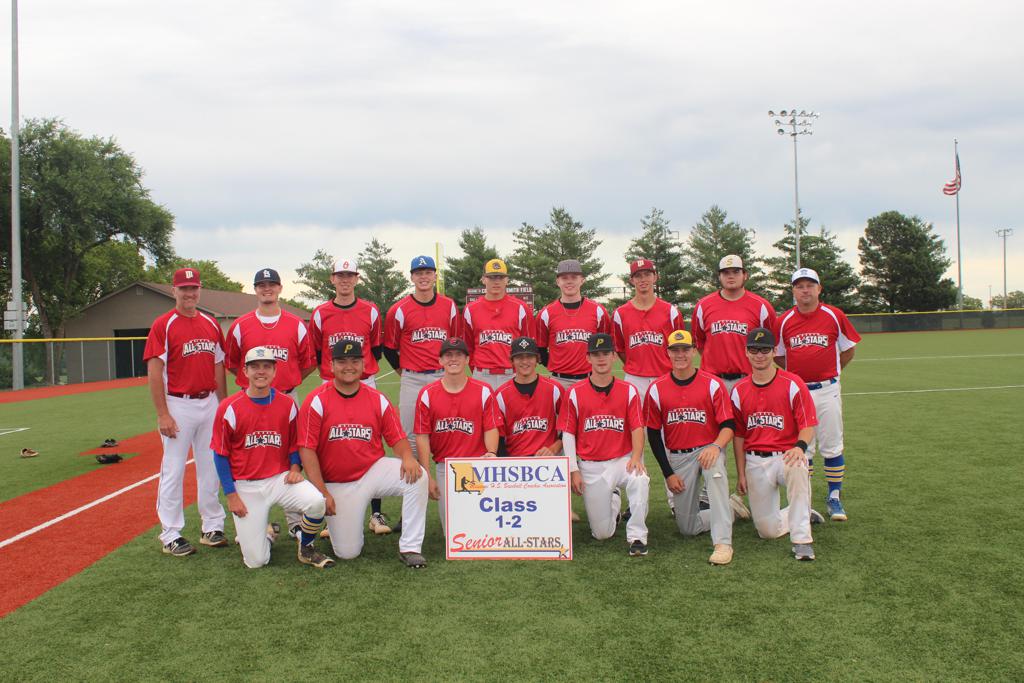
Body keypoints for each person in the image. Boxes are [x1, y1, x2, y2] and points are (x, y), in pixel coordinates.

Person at [297, 340, 429, 568]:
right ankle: (308, 531)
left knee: (419, 477)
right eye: (342, 361)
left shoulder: (376, 398)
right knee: (348, 553)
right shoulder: (317, 400)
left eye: (355, 360)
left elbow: (396, 437)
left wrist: (407, 457)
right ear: (331, 365)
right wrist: (322, 492)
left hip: (372, 471)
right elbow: (307, 450)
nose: (349, 366)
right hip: (336, 482)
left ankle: (410, 547)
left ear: (363, 364)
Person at [211, 347, 332, 569]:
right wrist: (231, 495)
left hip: (280, 479)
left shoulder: (287, 404)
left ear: (275, 371)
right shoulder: (229, 407)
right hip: (246, 486)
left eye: (266, 366)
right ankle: (266, 534)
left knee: (316, 503)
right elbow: (220, 455)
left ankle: (306, 547)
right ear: (245, 371)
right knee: (257, 562)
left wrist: (295, 468)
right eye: (255, 366)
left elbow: (294, 444)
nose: (261, 371)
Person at [224, 267, 318, 540]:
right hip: (250, 401)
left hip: (287, 396)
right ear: (255, 289)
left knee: (291, 454)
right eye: (262, 284)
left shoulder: (296, 324)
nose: (267, 289)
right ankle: (258, 521)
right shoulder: (241, 325)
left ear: (279, 288)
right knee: (253, 453)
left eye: (272, 284)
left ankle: (294, 521)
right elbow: (233, 364)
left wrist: (288, 381)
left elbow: (309, 362)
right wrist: (255, 385)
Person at [644, 330, 750, 565]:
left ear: (694, 351)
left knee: (715, 473)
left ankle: (723, 543)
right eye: (675, 350)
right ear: (668, 353)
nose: (680, 354)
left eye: (685, 349)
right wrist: (668, 473)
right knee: (687, 528)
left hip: (707, 449)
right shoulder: (656, 388)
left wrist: (716, 446)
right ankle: (730, 508)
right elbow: (653, 435)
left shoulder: (712, 384)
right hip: (678, 456)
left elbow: (729, 425)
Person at [144, 267, 227, 556]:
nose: (190, 293)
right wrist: (163, 414)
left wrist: (224, 404)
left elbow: (218, 366)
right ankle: (170, 533)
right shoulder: (164, 324)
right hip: (178, 403)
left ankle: (212, 526)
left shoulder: (210, 323)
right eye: (184, 288)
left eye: (194, 288)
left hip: (209, 403)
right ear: (173, 291)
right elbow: (155, 372)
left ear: (199, 289)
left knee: (210, 466)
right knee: (174, 469)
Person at [308, 256, 392, 535]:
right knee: (329, 444)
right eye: (340, 275)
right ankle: (328, 512)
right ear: (332, 279)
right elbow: (319, 352)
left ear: (357, 279)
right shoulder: (320, 313)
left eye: (350, 275)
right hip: (330, 385)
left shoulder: (370, 311)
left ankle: (376, 514)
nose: (345, 280)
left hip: (366, 382)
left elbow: (376, 349)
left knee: (371, 442)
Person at [774, 267, 861, 521]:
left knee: (832, 444)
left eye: (810, 285)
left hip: (827, 388)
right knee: (803, 447)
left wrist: (831, 371)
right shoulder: (785, 320)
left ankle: (834, 496)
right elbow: (778, 354)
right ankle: (806, 498)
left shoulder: (834, 315)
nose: (805, 290)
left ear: (819, 289)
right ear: (793, 291)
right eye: (800, 286)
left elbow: (848, 350)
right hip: (799, 392)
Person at [731, 327, 824, 561]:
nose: (759, 355)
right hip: (755, 459)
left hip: (786, 455)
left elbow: (808, 424)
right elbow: (739, 436)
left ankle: (802, 540)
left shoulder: (793, 383)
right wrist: (741, 473)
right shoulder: (739, 390)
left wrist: (799, 447)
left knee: (799, 468)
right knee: (767, 531)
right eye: (754, 349)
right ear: (746, 352)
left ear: (774, 352)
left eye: (764, 350)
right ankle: (801, 513)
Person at [559, 333, 650, 556]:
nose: (601, 359)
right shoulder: (574, 393)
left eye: (606, 354)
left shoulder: (628, 390)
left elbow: (637, 427)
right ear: (588, 358)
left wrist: (636, 457)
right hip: (591, 466)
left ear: (613, 357)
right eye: (596, 354)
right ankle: (614, 499)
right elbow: (568, 434)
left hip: (622, 460)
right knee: (602, 534)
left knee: (640, 479)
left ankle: (637, 536)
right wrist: (573, 470)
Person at [413, 337, 501, 535]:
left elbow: (491, 427)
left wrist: (491, 452)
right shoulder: (427, 394)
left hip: (477, 465)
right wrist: (428, 476)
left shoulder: (483, 390)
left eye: (459, 355)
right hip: (446, 466)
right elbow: (422, 436)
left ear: (467, 359)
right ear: (440, 361)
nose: (453, 359)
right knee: (453, 534)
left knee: (484, 530)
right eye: (448, 355)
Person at [382, 255, 460, 464]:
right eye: (418, 273)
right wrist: (405, 372)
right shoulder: (398, 310)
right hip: (412, 379)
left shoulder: (449, 306)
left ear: (435, 276)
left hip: (443, 377)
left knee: (451, 431)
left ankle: (450, 484)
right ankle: (416, 488)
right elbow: (389, 348)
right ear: (411, 277)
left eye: (427, 273)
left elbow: (455, 344)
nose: (423, 277)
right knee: (411, 437)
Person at [691, 255, 777, 393]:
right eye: (726, 272)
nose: (731, 276)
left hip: (749, 380)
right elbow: (700, 343)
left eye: (736, 272)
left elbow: (772, 343)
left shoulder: (761, 306)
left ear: (745, 275)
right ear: (719, 277)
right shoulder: (703, 306)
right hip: (713, 381)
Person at [612, 259, 684, 402]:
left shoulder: (671, 311)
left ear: (655, 277)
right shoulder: (620, 314)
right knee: (636, 423)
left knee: (668, 422)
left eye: (647, 274)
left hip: (665, 375)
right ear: (631, 280)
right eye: (638, 276)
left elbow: (680, 347)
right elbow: (620, 349)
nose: (643, 279)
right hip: (634, 379)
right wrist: (636, 366)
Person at [535, 259, 611, 390]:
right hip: (558, 381)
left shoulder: (598, 311)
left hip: (591, 379)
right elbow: (540, 349)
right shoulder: (546, 313)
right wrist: (556, 365)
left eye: (574, 277)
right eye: (564, 278)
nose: (569, 281)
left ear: (582, 280)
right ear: (558, 282)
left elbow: (606, 347)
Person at [462, 258, 534, 392]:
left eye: (500, 277)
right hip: (481, 375)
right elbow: (468, 347)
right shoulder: (471, 309)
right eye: (491, 277)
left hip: (512, 374)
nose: (496, 281)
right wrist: (476, 370)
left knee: (512, 413)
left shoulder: (520, 308)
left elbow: (529, 346)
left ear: (507, 280)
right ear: (483, 279)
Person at [495, 337, 565, 457]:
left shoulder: (554, 389)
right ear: (512, 361)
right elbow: (499, 439)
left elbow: (570, 426)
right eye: (519, 357)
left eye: (529, 357)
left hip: (548, 460)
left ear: (537, 359)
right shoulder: (501, 394)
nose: (525, 361)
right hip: (516, 462)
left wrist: (554, 448)